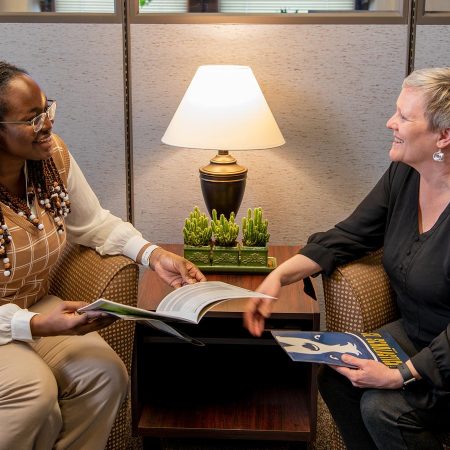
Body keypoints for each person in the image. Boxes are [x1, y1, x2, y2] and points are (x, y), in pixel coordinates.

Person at [0, 60, 206, 450]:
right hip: (11, 322)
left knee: (106, 374)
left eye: (47, 109)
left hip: (33, 305)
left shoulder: (50, 158)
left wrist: (153, 255)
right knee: (33, 395)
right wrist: (37, 326)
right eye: (32, 118)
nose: (47, 124)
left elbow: (93, 223)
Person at [244, 67, 450, 449]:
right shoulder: (403, 176)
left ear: (444, 135)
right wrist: (279, 277)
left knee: (383, 407)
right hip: (416, 334)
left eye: (404, 117)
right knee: (335, 377)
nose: (391, 123)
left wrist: (400, 375)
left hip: (444, 354)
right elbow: (349, 235)